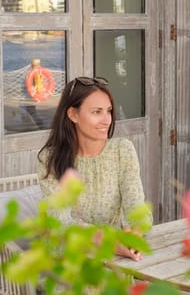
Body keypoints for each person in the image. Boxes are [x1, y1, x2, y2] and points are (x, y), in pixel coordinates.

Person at [37, 76, 152, 261]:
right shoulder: (49, 158)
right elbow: (61, 222)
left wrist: (136, 233)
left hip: (113, 255)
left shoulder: (123, 150)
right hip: (65, 259)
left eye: (109, 111)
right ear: (73, 115)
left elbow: (136, 204)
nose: (107, 120)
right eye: (97, 112)